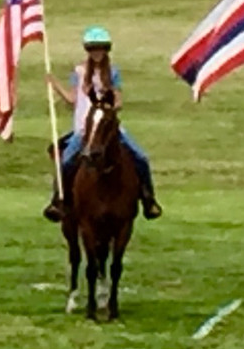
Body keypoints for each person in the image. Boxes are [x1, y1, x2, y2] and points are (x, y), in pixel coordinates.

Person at [42, 26, 163, 223]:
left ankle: (148, 199)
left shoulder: (113, 72)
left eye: (100, 48)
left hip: (108, 126)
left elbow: (119, 101)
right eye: (92, 49)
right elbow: (73, 100)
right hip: (84, 128)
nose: (97, 53)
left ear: (107, 50)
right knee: (65, 162)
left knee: (141, 157)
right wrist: (54, 84)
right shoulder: (79, 72)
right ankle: (59, 201)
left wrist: (110, 108)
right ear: (87, 50)